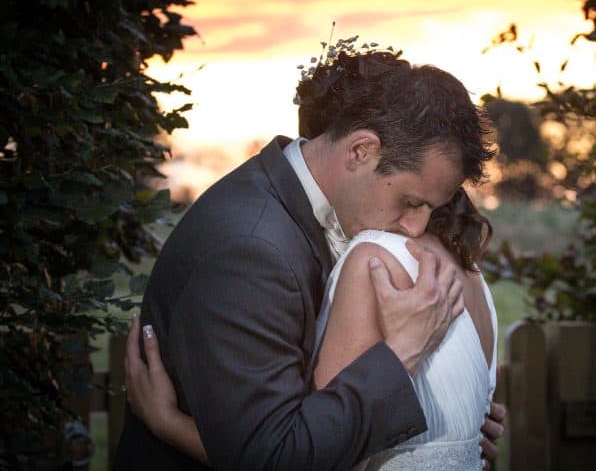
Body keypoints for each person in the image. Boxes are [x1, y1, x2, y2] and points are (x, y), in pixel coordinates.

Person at [115, 48, 506, 470]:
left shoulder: (337, 221)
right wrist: (404, 353)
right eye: (410, 201)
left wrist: (444, 421)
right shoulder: (249, 250)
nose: (415, 228)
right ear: (361, 151)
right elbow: (276, 456)